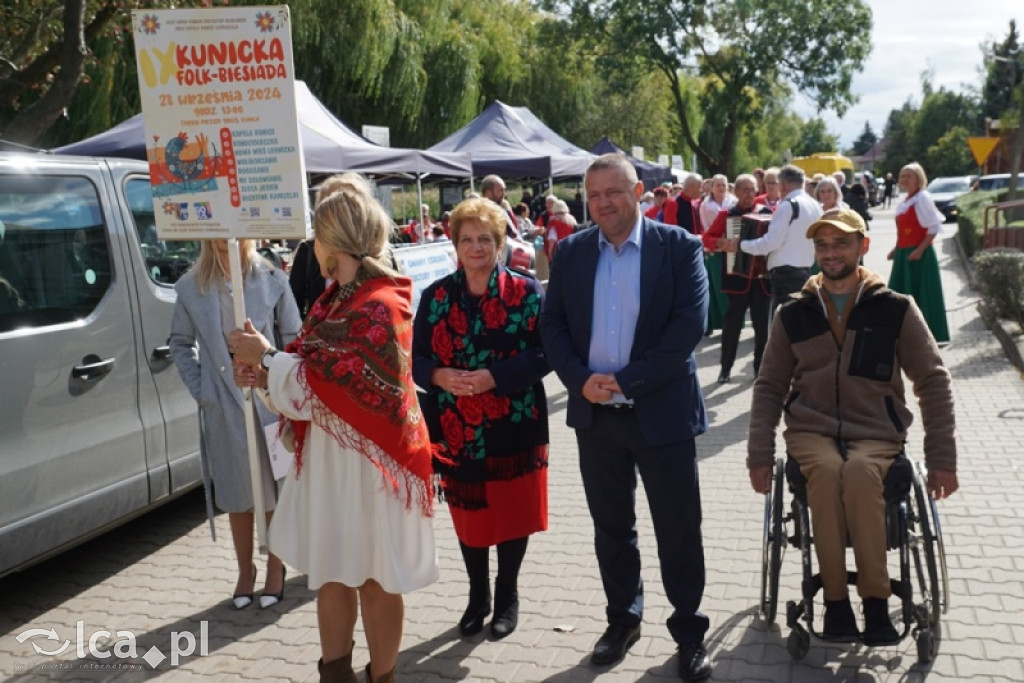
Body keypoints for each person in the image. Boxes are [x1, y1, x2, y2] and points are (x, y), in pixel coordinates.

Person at [228, 176, 438, 683]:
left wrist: (269, 359)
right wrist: (260, 373)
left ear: (331, 240)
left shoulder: (379, 303)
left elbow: (319, 386)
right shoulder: (335, 300)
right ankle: (336, 675)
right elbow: (305, 383)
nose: (311, 245)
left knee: (376, 580)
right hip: (333, 464)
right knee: (332, 577)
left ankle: (382, 676)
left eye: (315, 234)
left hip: (371, 467)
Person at [746, 207, 958, 646]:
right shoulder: (793, 313)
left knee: (860, 473)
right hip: (811, 431)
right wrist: (758, 455)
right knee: (824, 470)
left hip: (876, 431)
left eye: (841, 243)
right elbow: (768, 387)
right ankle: (836, 603)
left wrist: (942, 459)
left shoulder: (896, 309)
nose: (830, 252)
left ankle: (876, 604)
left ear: (863, 245)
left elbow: (934, 382)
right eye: (821, 245)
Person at [540, 154, 712, 681]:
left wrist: (628, 379)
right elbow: (553, 327)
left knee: (678, 530)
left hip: (661, 414)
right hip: (597, 418)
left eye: (613, 193)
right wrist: (578, 378)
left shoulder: (678, 246)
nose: (602, 204)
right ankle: (623, 620)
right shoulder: (570, 252)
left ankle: (688, 633)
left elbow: (689, 327)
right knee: (612, 529)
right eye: (593, 196)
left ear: (639, 191)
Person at [412, 196, 550, 641]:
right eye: (467, 239)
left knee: (512, 514)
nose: (476, 247)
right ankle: (478, 596)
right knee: (470, 518)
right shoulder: (435, 297)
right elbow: (413, 360)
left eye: (485, 239)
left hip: (515, 423)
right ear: (454, 244)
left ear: (500, 242)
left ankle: (507, 596)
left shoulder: (526, 292)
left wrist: (495, 377)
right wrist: (437, 374)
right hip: (455, 428)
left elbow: (545, 353)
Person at [169, 239, 302, 611]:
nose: (227, 235)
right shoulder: (193, 285)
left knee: (274, 488)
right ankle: (246, 570)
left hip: (268, 400)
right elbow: (180, 343)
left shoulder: (272, 278)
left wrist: (280, 382)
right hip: (223, 403)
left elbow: (293, 336)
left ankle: (277, 567)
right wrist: (202, 390)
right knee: (236, 491)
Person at [702, 174, 773, 383]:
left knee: (762, 328)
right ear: (736, 192)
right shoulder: (727, 215)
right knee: (731, 327)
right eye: (744, 189)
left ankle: (760, 370)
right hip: (737, 279)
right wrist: (721, 243)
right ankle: (725, 368)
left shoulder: (767, 213)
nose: (749, 194)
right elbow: (707, 238)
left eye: (752, 190)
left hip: (761, 280)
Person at [726, 164, 822, 314]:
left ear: (783, 184)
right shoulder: (815, 205)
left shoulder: (788, 205)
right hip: (805, 269)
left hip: (785, 275)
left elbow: (770, 243)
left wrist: (742, 245)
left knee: (783, 326)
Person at [887, 162, 950, 344]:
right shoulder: (906, 201)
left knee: (921, 293)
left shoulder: (922, 198)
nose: (904, 179)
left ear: (918, 178)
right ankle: (905, 335)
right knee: (901, 293)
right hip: (904, 253)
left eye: (909, 176)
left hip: (919, 255)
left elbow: (933, 227)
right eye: (902, 176)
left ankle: (927, 335)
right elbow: (905, 231)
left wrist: (920, 250)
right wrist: (895, 249)